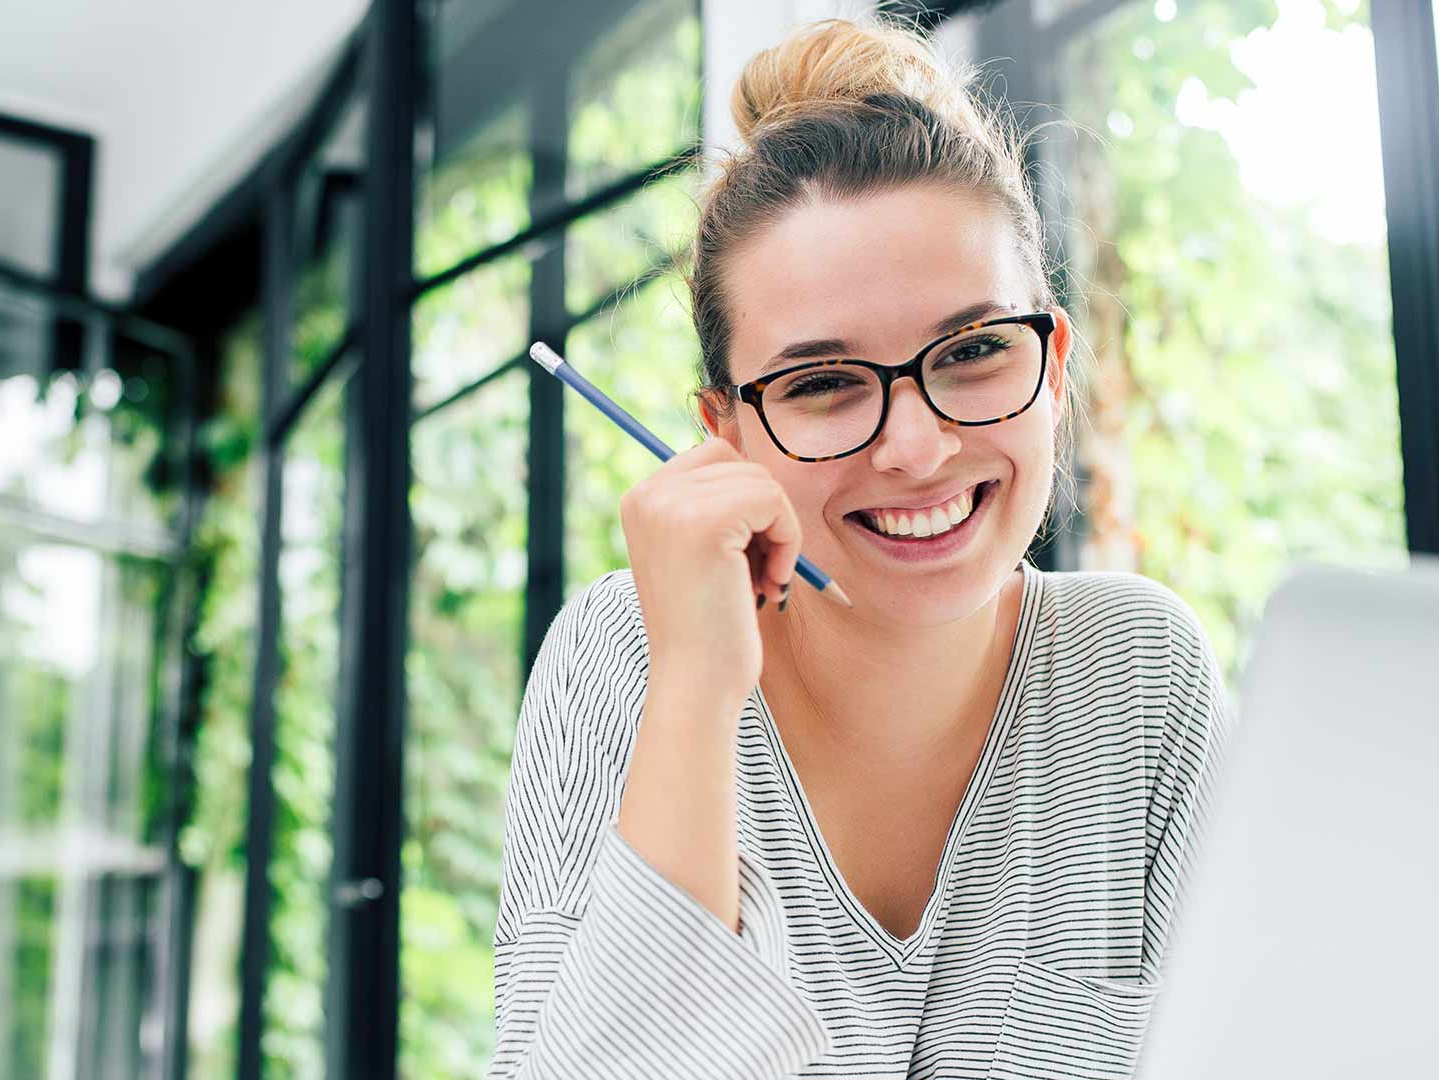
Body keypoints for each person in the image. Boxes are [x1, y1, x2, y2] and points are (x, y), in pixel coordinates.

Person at [491, 17, 1229, 1079]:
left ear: (1053, 363)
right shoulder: (629, 654)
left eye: (973, 351)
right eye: (825, 384)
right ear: (726, 433)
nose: (919, 449)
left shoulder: (1141, 675)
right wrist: (695, 690)